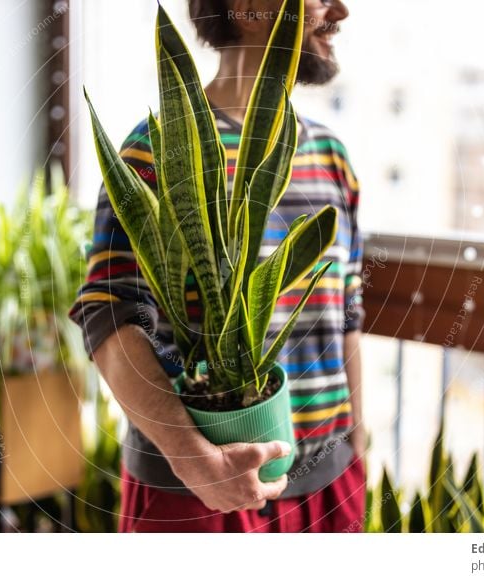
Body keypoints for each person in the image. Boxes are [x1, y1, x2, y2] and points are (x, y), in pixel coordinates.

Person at [69, 0, 366, 533]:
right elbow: (108, 317)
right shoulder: (155, 150)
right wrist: (191, 459)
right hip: (197, 490)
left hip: (327, 485)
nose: (340, 10)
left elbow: (347, 316)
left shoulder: (332, 155)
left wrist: (356, 444)